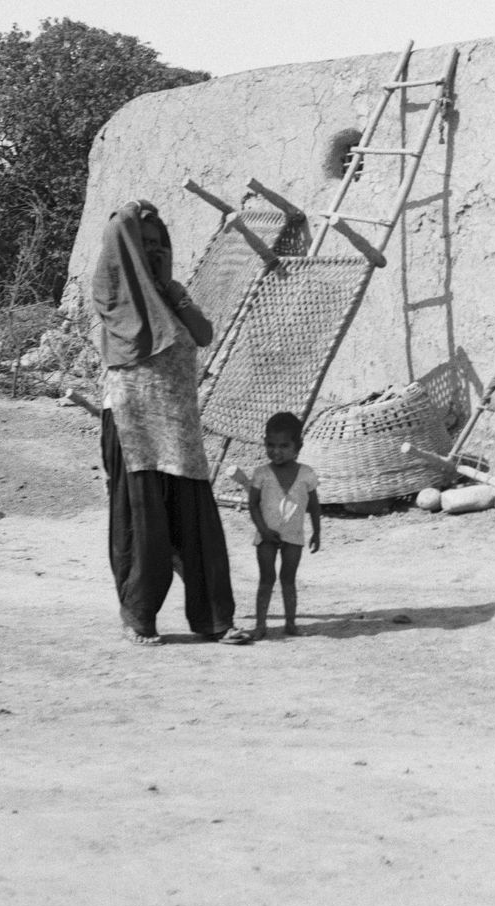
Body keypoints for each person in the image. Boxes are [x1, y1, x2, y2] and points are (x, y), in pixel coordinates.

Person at [91, 199, 250, 646]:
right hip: (133, 423)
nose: (153, 250)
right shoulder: (115, 295)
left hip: (179, 426)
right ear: (124, 248)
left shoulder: (172, 291)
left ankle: (215, 620)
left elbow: (203, 334)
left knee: (199, 525)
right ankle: (139, 618)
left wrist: (169, 286)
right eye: (142, 244)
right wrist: (135, 217)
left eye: (159, 242)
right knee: (144, 526)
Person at [247, 411, 322, 638]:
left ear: (297, 446)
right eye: (270, 445)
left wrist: (317, 532)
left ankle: (290, 624)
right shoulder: (261, 473)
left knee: (288, 580)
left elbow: (314, 505)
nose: (275, 451)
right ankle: (261, 625)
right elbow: (253, 505)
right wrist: (263, 530)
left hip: (294, 535)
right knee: (266, 579)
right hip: (266, 536)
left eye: (283, 446)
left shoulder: (306, 474)